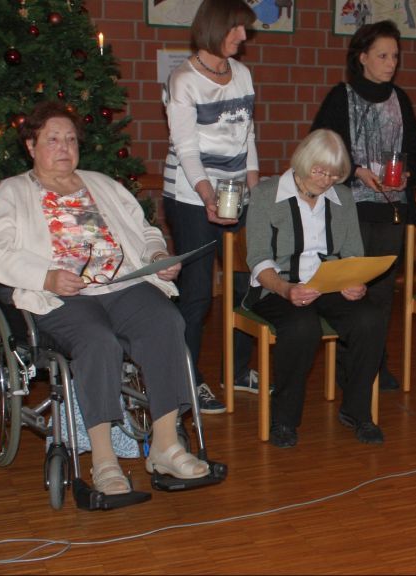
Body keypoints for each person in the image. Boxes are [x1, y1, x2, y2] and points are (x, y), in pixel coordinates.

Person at [0, 101, 210, 496]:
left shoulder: (100, 184)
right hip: (63, 294)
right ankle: (103, 459)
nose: (64, 147)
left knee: (166, 322)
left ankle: (166, 445)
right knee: (96, 341)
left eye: (70, 139)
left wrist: (155, 257)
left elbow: (145, 229)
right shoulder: (12, 193)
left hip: (122, 284)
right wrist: (45, 276)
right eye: (53, 139)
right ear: (31, 146)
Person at [244, 129, 386, 448]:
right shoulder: (267, 195)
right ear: (302, 162)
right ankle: (283, 419)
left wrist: (354, 281)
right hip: (276, 286)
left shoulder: (342, 197)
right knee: (301, 326)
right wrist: (285, 289)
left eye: (334, 174)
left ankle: (357, 411)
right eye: (320, 171)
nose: (325, 180)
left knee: (370, 320)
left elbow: (352, 252)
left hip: (329, 284)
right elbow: (258, 258)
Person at [311, 19, 416, 391]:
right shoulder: (340, 96)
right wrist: (356, 171)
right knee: (351, 287)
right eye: (383, 55)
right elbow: (321, 152)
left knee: (382, 289)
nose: (391, 63)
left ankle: (375, 362)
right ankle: (350, 367)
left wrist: (408, 172)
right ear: (362, 58)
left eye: (395, 56)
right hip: (351, 208)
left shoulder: (400, 99)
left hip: (391, 208)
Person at [162, 0, 260, 413]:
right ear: (216, 27)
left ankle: (237, 371)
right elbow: (186, 149)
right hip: (190, 196)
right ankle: (188, 379)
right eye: (237, 28)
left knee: (248, 283)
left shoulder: (242, 74)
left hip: (238, 192)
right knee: (199, 293)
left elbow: (248, 135)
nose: (244, 36)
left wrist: (256, 187)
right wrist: (208, 197)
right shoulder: (183, 80)